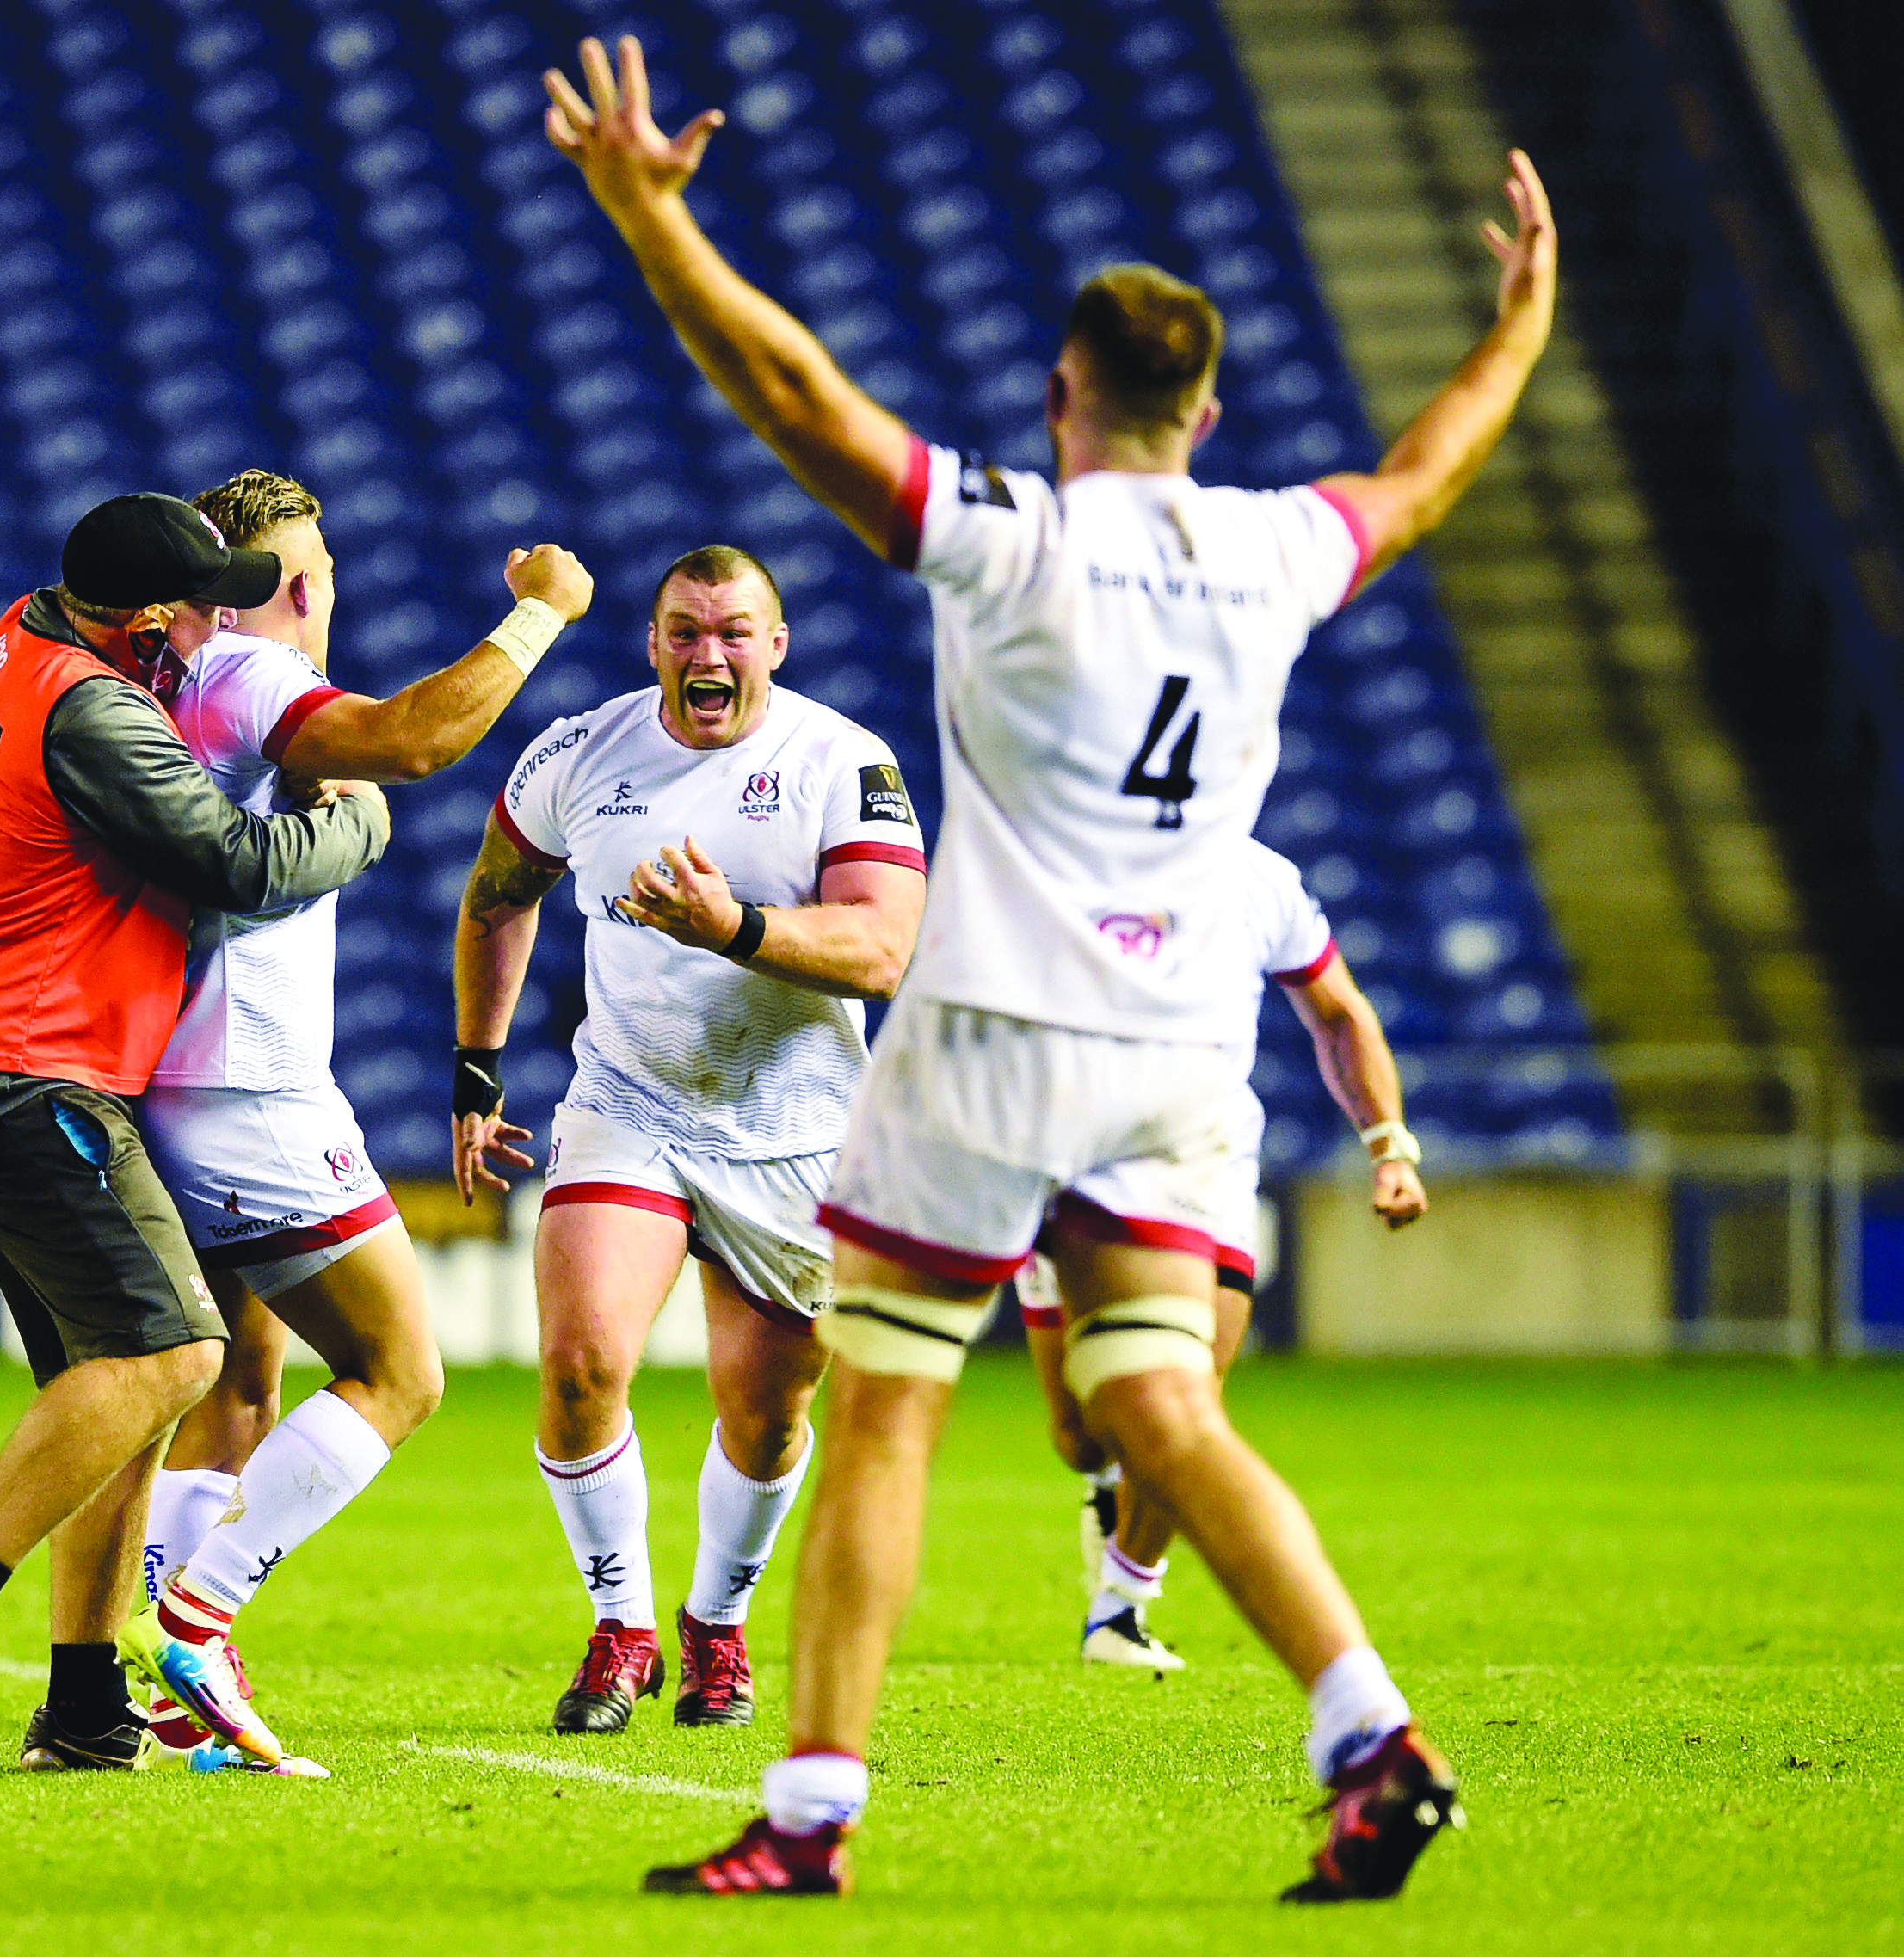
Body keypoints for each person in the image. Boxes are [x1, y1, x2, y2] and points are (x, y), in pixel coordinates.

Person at [540, 35, 1551, 1899]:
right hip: (1179, 1051)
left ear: (1058, 389)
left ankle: (808, 1815)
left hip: (998, 1034)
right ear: (1211, 406)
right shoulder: (1271, 547)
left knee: (883, 1400)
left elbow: (792, 390)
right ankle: (1370, 1732)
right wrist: (1515, 323)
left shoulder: (1006, 537)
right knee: (1161, 1405)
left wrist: (647, 220)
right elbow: (1418, 474)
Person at [0, 493, 389, 1775]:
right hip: (28, 1081)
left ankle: (86, 1704)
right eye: (203, 604)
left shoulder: (18, 639)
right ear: (144, 619)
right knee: (175, 1352)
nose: (220, 621)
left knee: (112, 1384)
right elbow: (238, 863)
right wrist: (360, 818)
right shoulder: (94, 706)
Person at [110, 468, 594, 1755]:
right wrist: (540, 613)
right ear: (301, 583)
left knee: (236, 1379)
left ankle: (170, 1694)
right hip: (251, 1087)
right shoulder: (251, 677)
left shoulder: (168, 680)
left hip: (168, 1074)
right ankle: (197, 1620)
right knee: (399, 1369)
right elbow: (420, 739)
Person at [452, 545, 926, 1733]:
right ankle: (621, 1624)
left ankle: (715, 1621)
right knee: (578, 1364)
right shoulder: (576, 752)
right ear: (651, 640)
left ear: (776, 642)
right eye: (682, 629)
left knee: (764, 1414)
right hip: (630, 1097)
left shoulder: (842, 761)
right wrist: (476, 1064)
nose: (706, 653)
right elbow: (497, 893)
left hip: (792, 1124)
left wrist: (735, 925)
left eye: (733, 630)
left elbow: (879, 950)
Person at [1018, 837, 1428, 1672]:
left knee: (1185, 1401)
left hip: (1207, 1169)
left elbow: (1339, 1011)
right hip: (1066, 1164)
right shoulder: (1060, 853)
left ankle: (1120, 1611)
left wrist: (1389, 1145)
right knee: (1081, 1438)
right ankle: (1105, 1492)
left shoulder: (1259, 878)